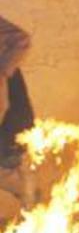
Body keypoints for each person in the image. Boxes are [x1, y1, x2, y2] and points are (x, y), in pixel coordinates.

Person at [0, 16, 35, 206]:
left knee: (12, 157)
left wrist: (3, 73)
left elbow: (21, 40)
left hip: (11, 115)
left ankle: (33, 204)